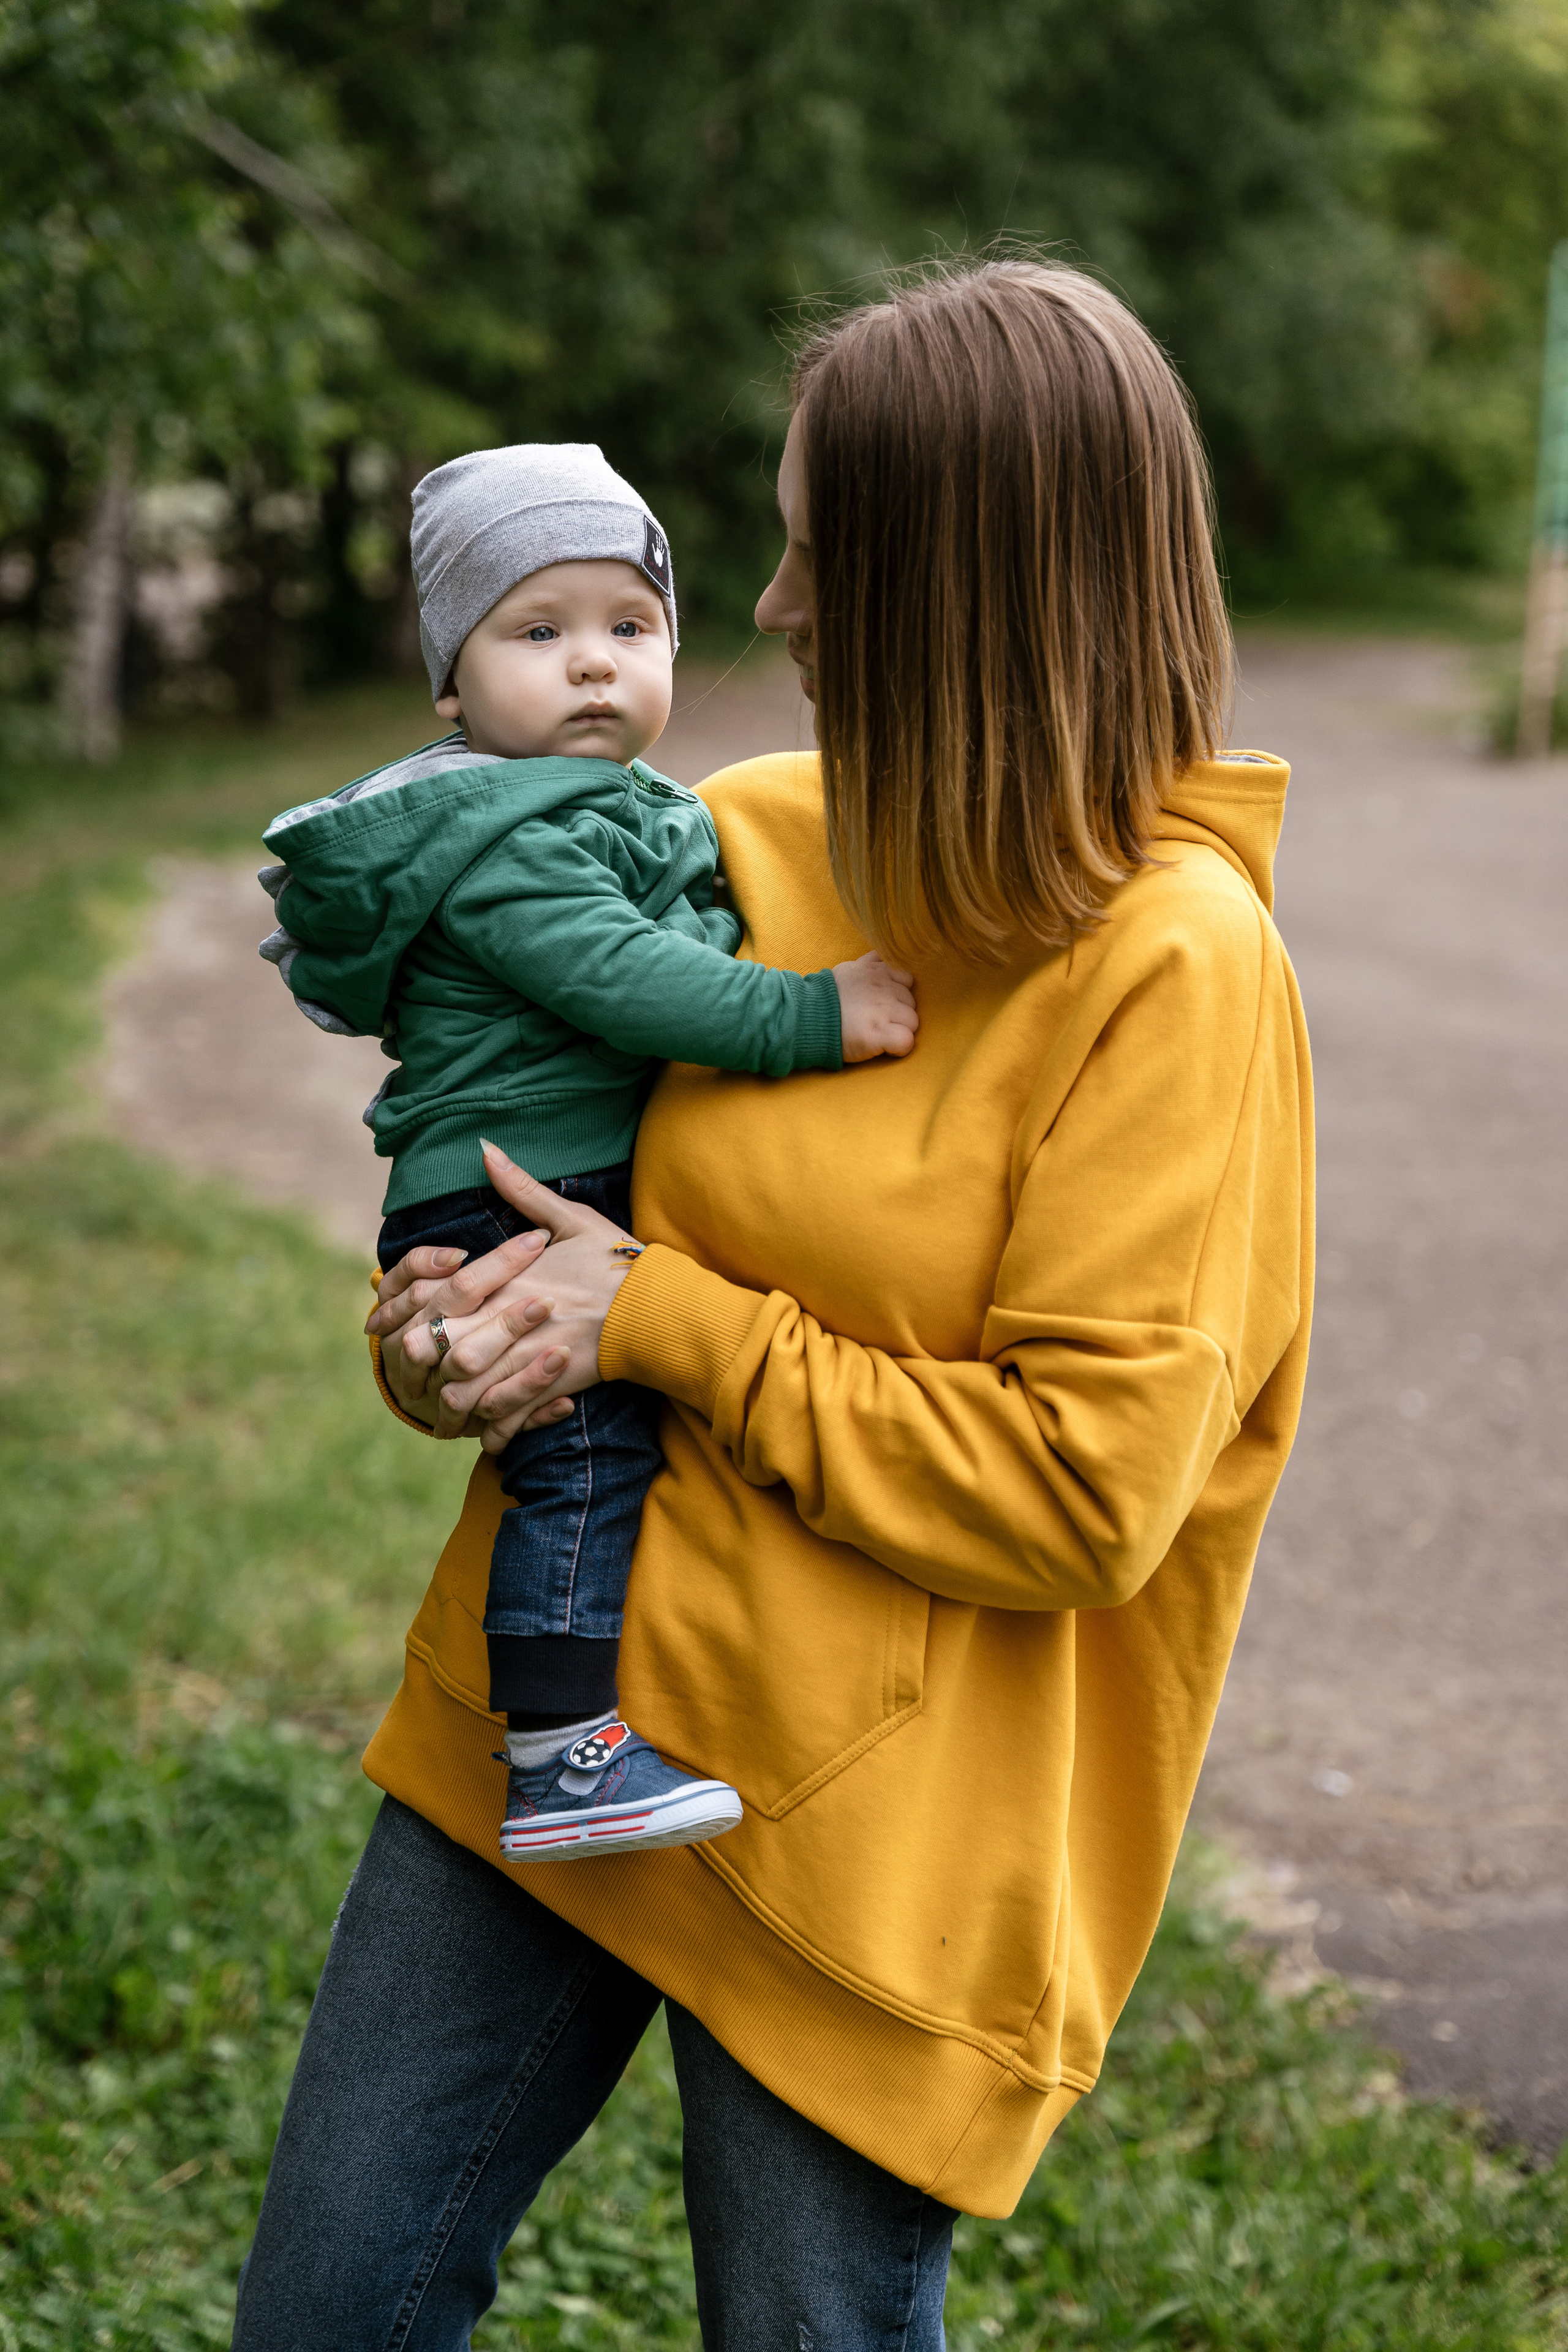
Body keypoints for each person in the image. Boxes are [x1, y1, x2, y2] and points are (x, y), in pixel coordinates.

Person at [232, 258, 1313, 2351]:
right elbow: (529, 1176)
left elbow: (1088, 1499)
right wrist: (457, 1331)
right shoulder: (722, 836)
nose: (773, 608)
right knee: (323, 2313)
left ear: (965, 591)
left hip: (869, 1856)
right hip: (549, 1725)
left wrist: (661, 1324)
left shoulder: (1181, 977)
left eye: (823, 547)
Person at [255, 441, 918, 1861]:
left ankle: (576, 1728)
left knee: (585, 1447)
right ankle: (561, 1747)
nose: (594, 667)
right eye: (536, 632)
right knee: (580, 1457)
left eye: (629, 628)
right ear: (453, 681)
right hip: (511, 1191)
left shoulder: (620, 809)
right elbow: (635, 982)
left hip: (539, 1181)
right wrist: (819, 1011)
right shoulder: (500, 836)